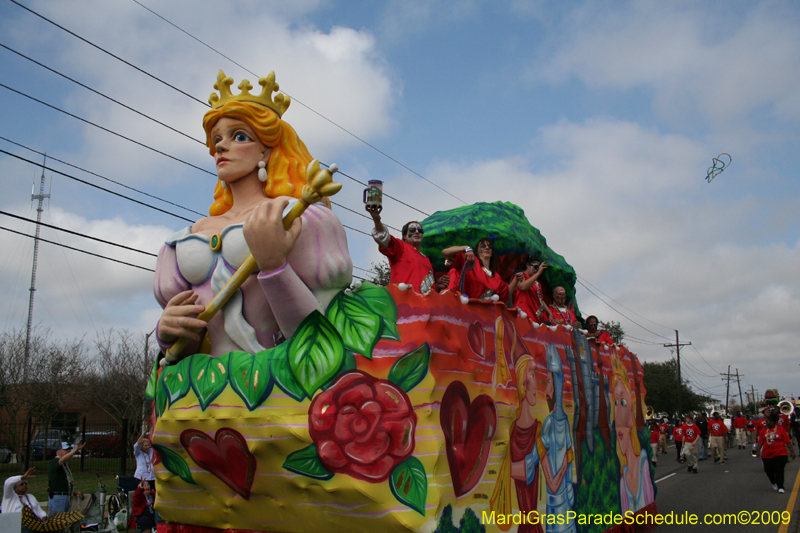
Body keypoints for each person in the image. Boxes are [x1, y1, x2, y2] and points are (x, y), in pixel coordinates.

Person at [155, 71, 353, 359]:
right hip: (205, 384)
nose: (220, 146)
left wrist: (274, 267)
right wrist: (167, 333)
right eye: (217, 139)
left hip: (278, 382)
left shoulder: (295, 216)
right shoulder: (187, 237)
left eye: (239, 136)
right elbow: (184, 352)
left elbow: (321, 339)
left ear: (266, 151)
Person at [504, 355, 545, 533]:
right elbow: (516, 471)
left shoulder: (538, 429)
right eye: (532, 374)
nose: (536, 385)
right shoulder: (512, 432)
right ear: (523, 383)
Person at [367, 207, 445, 294]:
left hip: (423, 302)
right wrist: (377, 220)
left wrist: (437, 287)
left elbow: (427, 290)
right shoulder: (401, 247)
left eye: (420, 230)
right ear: (404, 236)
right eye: (412, 230)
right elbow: (384, 238)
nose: (417, 232)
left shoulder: (427, 260)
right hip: (402, 299)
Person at [442, 239, 509, 301]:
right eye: (483, 246)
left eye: (490, 246)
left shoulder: (497, 277)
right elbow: (445, 252)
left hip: (483, 309)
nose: (487, 248)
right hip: (461, 306)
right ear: (477, 250)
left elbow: (505, 294)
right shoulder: (470, 261)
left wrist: (514, 280)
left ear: (492, 252)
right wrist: (467, 248)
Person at [757, 413, 796, 494]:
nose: (766, 423)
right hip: (767, 455)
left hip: (780, 453)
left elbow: (787, 441)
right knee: (768, 470)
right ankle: (773, 482)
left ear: (772, 422)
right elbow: (761, 441)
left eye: (767, 421)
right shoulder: (764, 430)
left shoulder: (780, 429)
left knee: (779, 470)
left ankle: (781, 486)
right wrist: (758, 451)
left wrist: (792, 451)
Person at [508, 259, 552, 323]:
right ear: (528, 265)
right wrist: (538, 273)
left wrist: (549, 312)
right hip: (523, 312)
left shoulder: (537, 283)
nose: (536, 269)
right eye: (536, 266)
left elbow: (540, 300)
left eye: (538, 268)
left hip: (535, 315)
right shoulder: (520, 276)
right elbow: (523, 287)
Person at [48, 441, 85, 514]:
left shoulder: (65, 465)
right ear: (58, 452)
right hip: (59, 497)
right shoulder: (55, 461)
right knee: (58, 519)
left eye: (69, 450)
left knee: (64, 519)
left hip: (65, 496)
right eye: (65, 450)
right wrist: (76, 450)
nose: (68, 452)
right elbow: (62, 460)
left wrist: (73, 491)